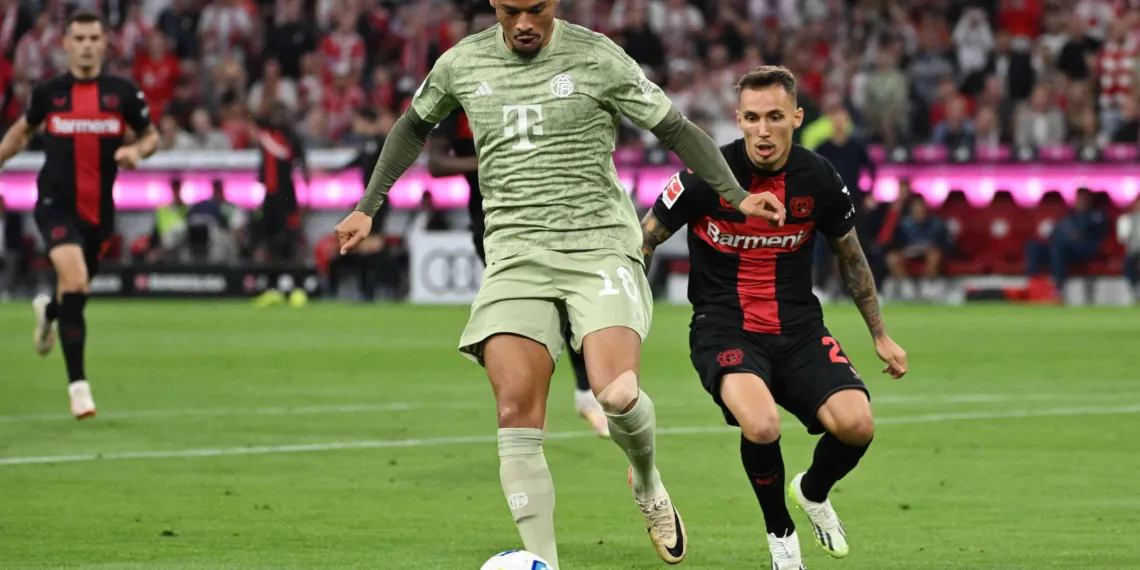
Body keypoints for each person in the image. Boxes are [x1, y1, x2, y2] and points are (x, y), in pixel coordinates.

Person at [334, 2, 781, 567]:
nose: (525, 22)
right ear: (495, 5)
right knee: (515, 412)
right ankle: (543, 562)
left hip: (598, 246)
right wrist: (368, 206)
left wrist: (736, 195)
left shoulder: (597, 57)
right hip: (515, 256)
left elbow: (676, 129)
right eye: (512, 9)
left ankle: (646, 482)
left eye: (537, 9)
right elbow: (412, 126)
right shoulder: (462, 63)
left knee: (616, 393)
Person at [640, 66, 908, 569]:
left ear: (797, 118)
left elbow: (850, 256)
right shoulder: (702, 174)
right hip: (725, 326)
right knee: (761, 426)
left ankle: (811, 490)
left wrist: (880, 334)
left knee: (857, 426)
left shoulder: (819, 177)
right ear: (738, 119)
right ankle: (782, 539)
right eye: (753, 118)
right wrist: (626, 314)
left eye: (776, 117)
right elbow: (645, 239)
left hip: (799, 329)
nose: (764, 130)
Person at [0, 10, 157, 419]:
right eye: (79, 38)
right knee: (75, 280)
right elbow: (21, 132)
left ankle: (48, 313)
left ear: (105, 43)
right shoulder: (49, 93)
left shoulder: (122, 92)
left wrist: (135, 152)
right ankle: (79, 389)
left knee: (75, 292)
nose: (87, 45)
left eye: (94, 37)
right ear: (65, 43)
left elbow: (151, 135)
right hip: (54, 203)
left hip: (99, 212)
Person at [429, 96, 609, 436]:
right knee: (526, 314)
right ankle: (537, 401)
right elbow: (436, 164)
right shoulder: (460, 102)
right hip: (493, 226)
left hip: (546, 215)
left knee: (566, 303)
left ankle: (584, 391)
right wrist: (490, 163)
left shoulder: (530, 92)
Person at [253, 101, 309, 265]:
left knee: (289, 231)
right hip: (269, 192)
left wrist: (307, 186)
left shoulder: (290, 136)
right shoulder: (266, 134)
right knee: (269, 232)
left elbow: (301, 160)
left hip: (285, 190)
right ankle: (272, 267)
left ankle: (290, 265)